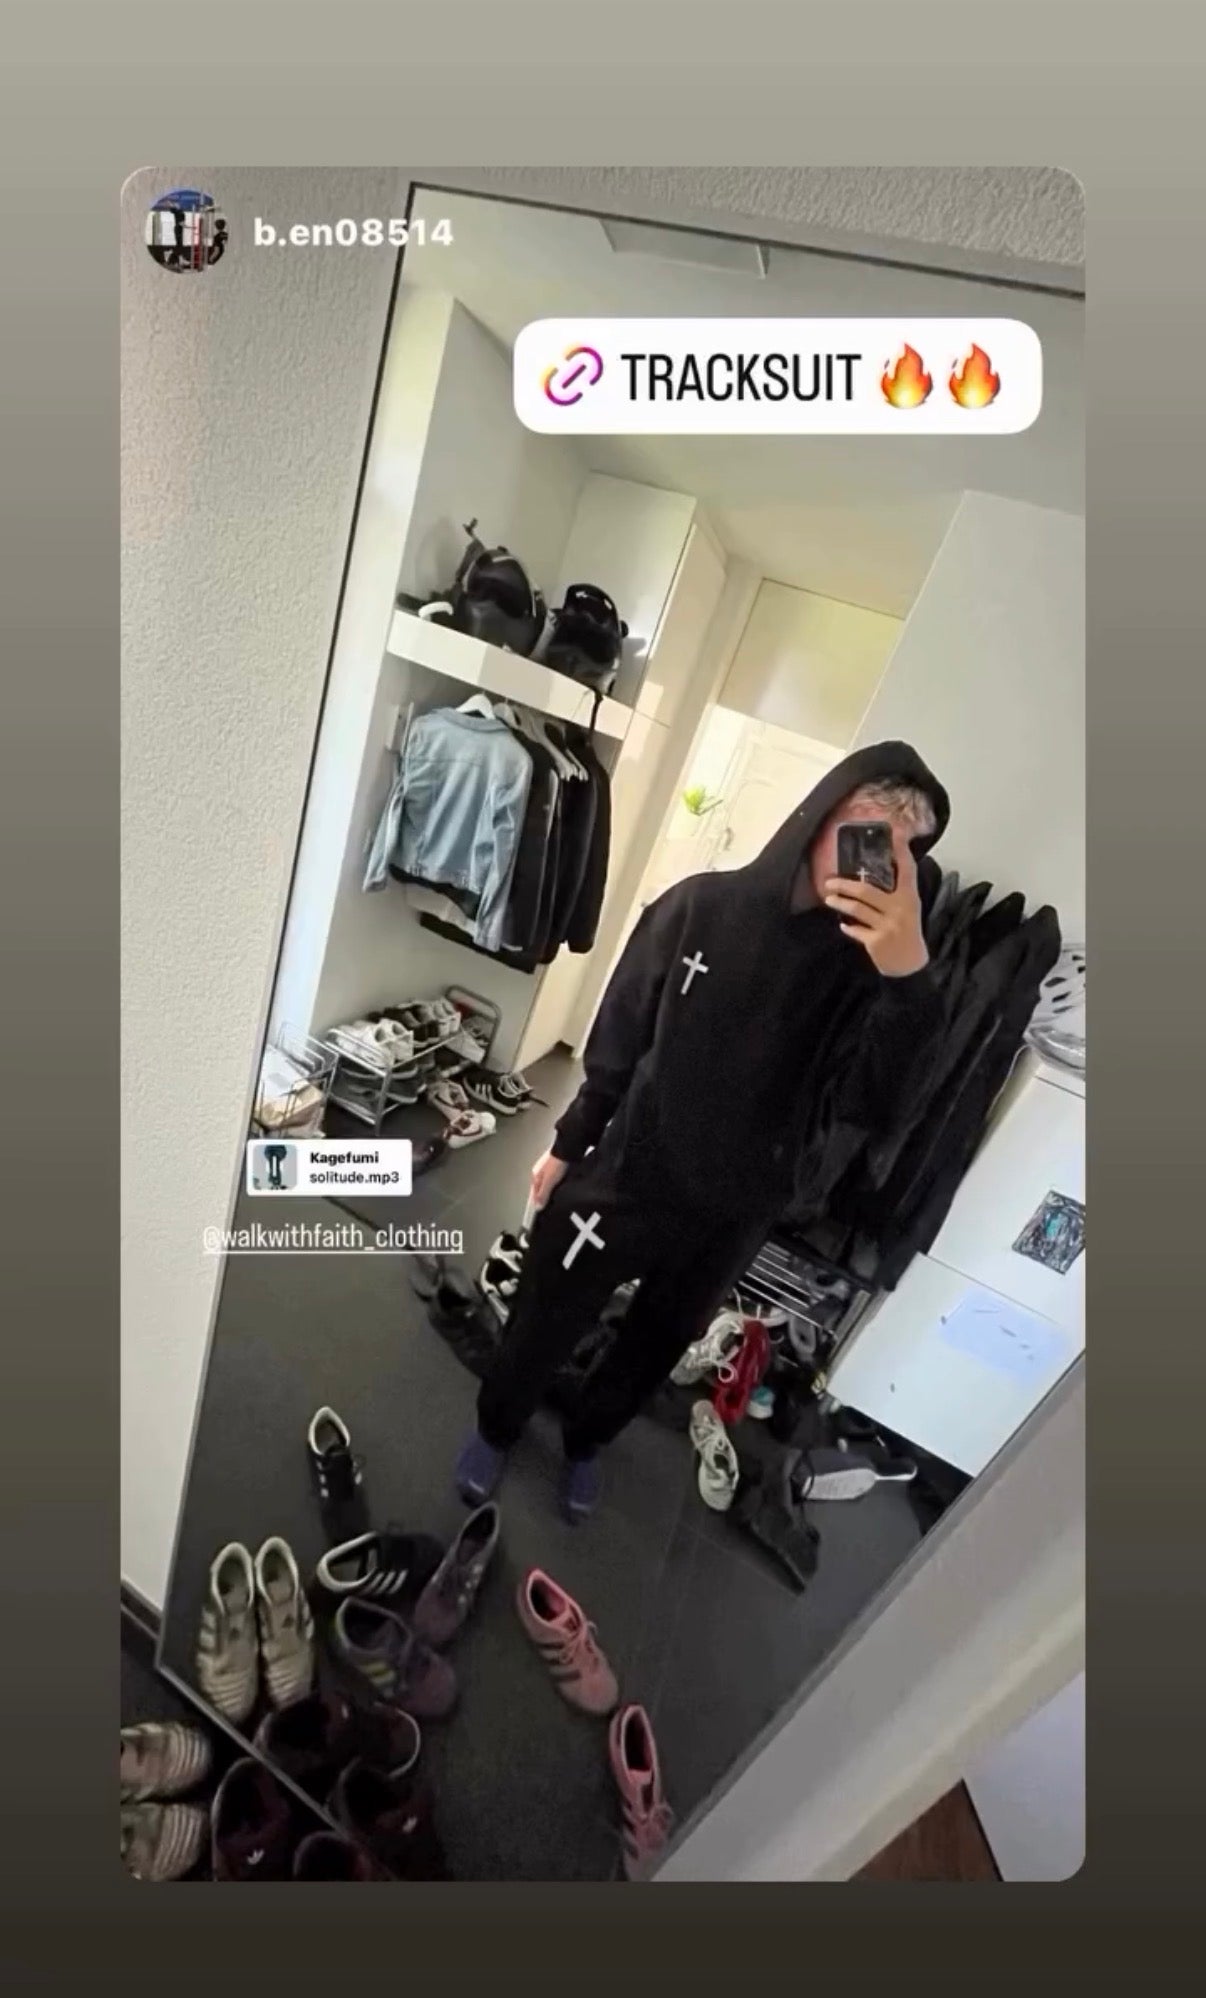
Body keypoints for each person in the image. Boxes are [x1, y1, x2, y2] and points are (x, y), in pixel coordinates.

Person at [456, 740, 951, 1524]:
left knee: (659, 1340)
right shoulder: (700, 906)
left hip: (737, 1207)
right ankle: (497, 1423)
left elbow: (881, 1108)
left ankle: (588, 1439)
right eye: (869, 828)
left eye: (904, 848)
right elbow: (619, 1037)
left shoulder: (875, 976)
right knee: (552, 1299)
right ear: (822, 810)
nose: (880, 857)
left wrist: (909, 983)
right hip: (632, 1169)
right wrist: (569, 1143)